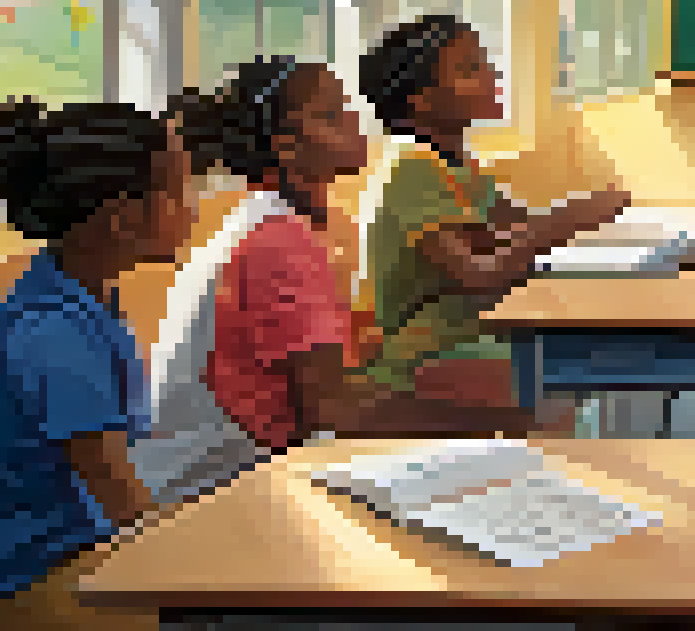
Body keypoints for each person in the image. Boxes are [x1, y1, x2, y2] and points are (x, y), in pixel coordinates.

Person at [136, 57, 536, 507]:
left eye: (346, 105)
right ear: (287, 147)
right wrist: (498, 421)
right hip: (209, 494)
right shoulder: (280, 241)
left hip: (242, 467)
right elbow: (335, 412)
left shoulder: (273, 220)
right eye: (329, 115)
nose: (352, 118)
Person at [0, 99, 195, 630]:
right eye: (179, 191)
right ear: (120, 219)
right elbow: (119, 496)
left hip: (84, 556)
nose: (193, 208)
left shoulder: (77, 301)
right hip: (44, 583)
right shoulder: (53, 334)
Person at [353, 16, 631, 402]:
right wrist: (566, 220)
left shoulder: (458, 163)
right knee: (584, 375)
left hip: (471, 333)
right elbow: (480, 275)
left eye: (485, 63)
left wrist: (577, 216)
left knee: (600, 355)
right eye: (470, 69)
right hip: (422, 354)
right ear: (421, 100)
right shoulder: (410, 164)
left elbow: (515, 226)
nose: (490, 75)